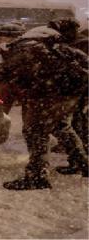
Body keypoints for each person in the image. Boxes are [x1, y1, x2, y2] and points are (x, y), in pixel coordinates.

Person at [0, 19, 88, 190]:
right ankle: (82, 164)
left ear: (15, 37)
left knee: (35, 132)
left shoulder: (24, 48)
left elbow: (1, 72)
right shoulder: (52, 45)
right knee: (61, 127)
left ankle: (37, 176)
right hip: (68, 93)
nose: (0, 42)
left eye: (3, 38)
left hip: (47, 96)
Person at [47, 18, 89, 176]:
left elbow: (81, 70)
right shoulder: (72, 43)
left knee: (77, 126)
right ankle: (78, 161)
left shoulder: (83, 44)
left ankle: (80, 162)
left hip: (78, 91)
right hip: (72, 91)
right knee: (76, 126)